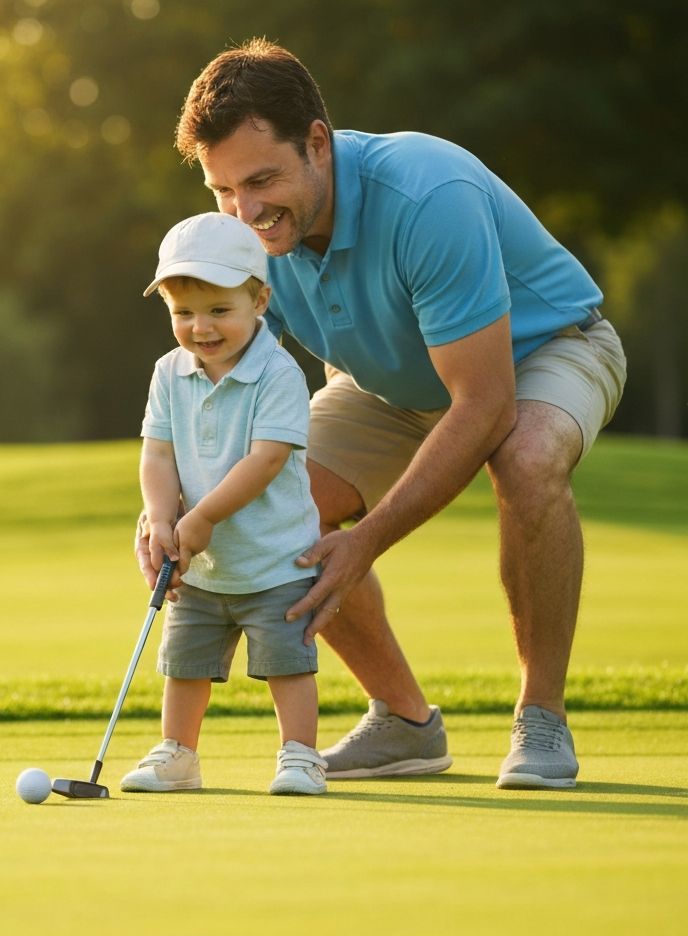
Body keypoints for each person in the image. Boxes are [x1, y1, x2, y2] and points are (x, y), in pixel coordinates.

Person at [138, 39, 626, 790]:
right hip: (385, 385)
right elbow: (228, 389)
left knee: (526, 457)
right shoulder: (244, 240)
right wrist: (167, 508)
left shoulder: (428, 194)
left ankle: (542, 717)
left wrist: (365, 541)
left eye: (262, 180)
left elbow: (485, 403)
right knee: (277, 506)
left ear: (318, 143)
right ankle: (404, 722)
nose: (245, 212)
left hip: (540, 352)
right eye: (222, 189)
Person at [121, 211, 328, 796]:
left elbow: (266, 459)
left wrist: (204, 515)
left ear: (259, 300)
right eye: (184, 313)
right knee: (184, 665)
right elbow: (157, 453)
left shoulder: (278, 373)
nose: (201, 327)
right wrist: (161, 516)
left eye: (218, 310)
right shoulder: (169, 372)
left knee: (287, 664)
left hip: (276, 559)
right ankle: (179, 754)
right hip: (198, 566)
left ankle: (300, 755)